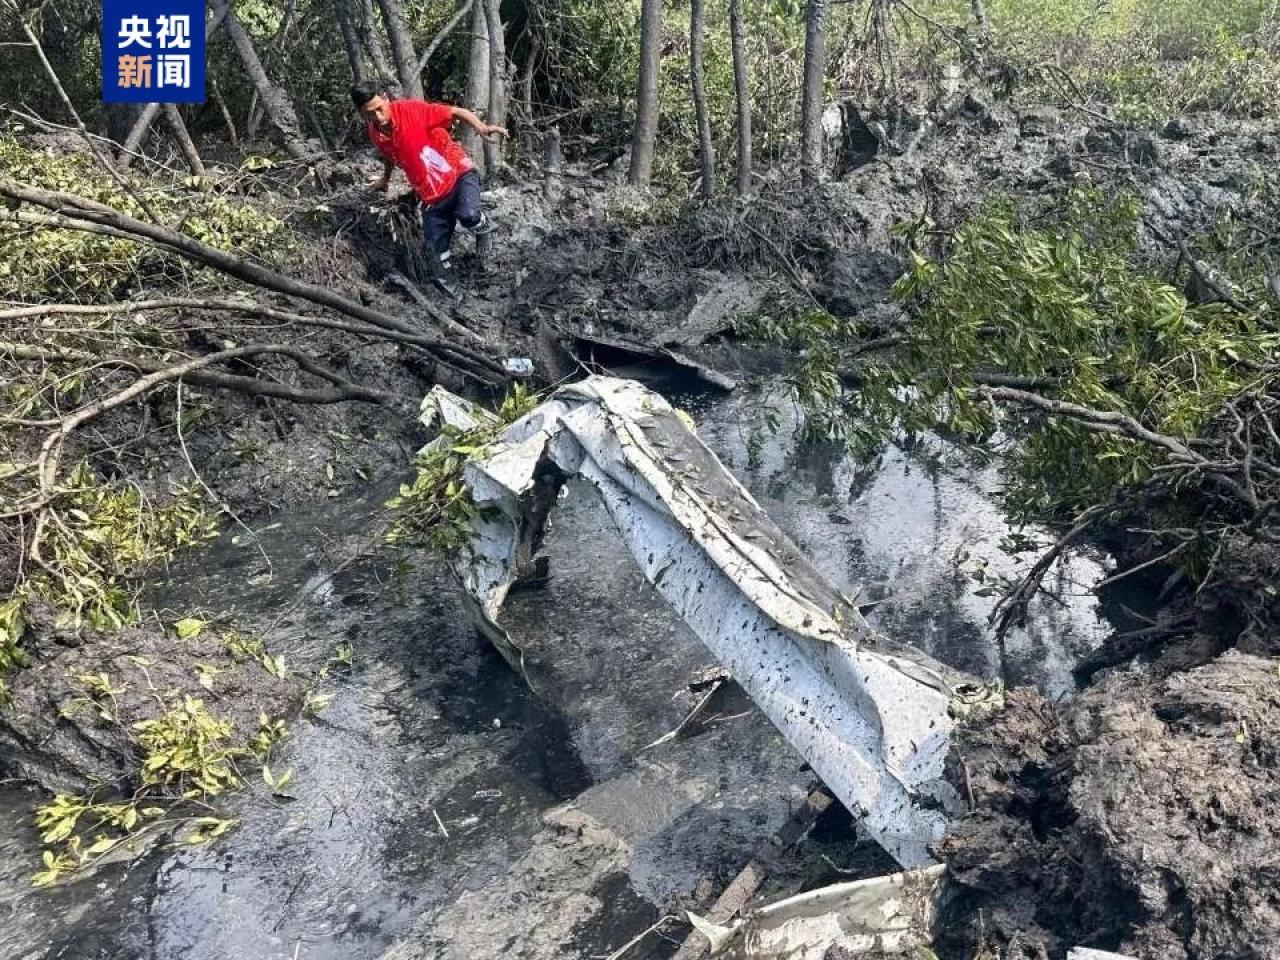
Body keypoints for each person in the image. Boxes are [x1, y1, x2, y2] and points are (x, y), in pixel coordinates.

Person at [352, 82, 506, 298]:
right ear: (361, 114)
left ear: (386, 98)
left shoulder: (411, 111)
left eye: (380, 108)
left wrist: (480, 127)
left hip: (458, 172)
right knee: (435, 251)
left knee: (469, 215)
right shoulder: (375, 133)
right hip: (431, 195)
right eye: (369, 114)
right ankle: (453, 293)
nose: (377, 116)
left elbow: (455, 111)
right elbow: (388, 156)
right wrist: (384, 180)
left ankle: (483, 227)